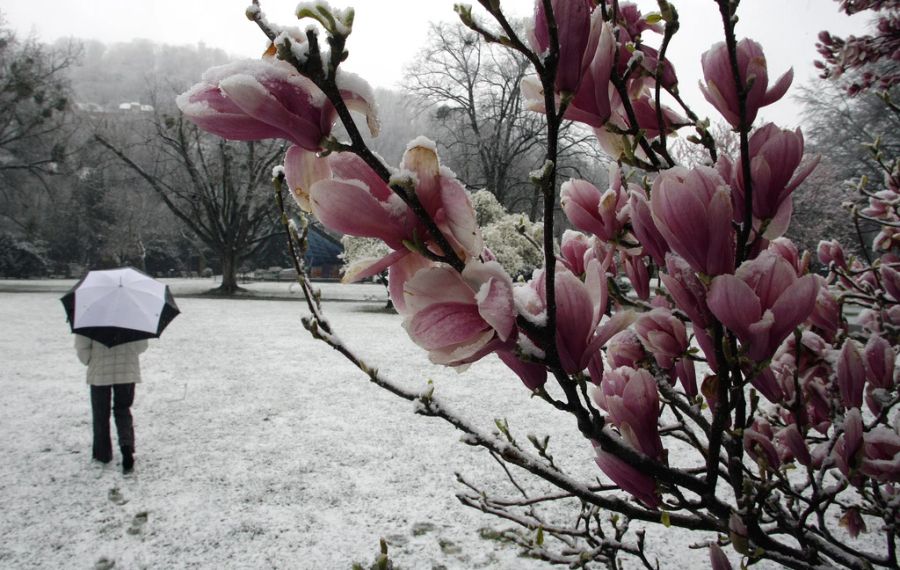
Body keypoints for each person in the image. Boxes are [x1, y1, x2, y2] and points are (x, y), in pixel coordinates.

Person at [75, 335, 148, 474]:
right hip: (127, 370)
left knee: (100, 414)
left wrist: (90, 360)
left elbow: (82, 346)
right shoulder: (132, 316)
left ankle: (102, 454)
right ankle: (126, 446)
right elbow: (142, 345)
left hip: (99, 372)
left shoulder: (91, 316)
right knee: (123, 409)